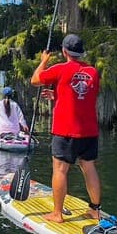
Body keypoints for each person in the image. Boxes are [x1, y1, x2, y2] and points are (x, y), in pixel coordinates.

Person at [30, 33, 101, 224]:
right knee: (89, 167)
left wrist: (43, 61)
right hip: (89, 131)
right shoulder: (93, 72)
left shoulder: (60, 69)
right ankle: (95, 210)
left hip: (66, 131)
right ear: (81, 52)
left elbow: (35, 80)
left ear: (64, 51)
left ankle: (57, 214)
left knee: (60, 170)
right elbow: (81, 95)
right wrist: (57, 95)